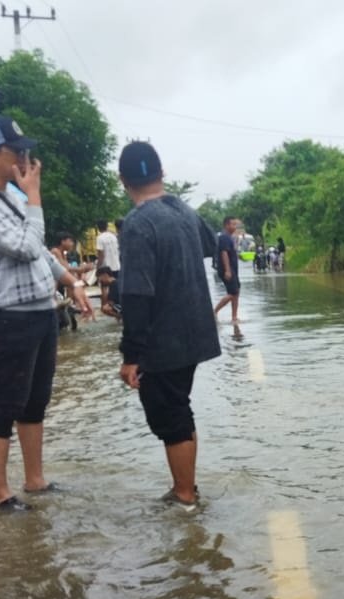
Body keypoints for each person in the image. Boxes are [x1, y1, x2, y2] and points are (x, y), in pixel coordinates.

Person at [0, 114, 93, 512]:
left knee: (37, 399)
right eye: (16, 150)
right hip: (9, 312)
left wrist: (72, 283)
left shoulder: (10, 197)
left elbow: (41, 256)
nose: (23, 157)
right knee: (9, 400)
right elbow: (24, 246)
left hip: (40, 308)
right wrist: (34, 196)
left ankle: (36, 480)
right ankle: (0, 492)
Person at [116, 141, 222, 512]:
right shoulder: (184, 211)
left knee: (169, 414)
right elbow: (210, 245)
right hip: (195, 330)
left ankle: (184, 496)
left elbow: (136, 295)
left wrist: (131, 355)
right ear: (162, 174)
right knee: (180, 407)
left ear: (123, 180)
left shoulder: (137, 224)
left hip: (164, 338)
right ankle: (185, 486)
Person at [212, 216, 241, 322]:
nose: (235, 227)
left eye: (236, 224)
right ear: (227, 225)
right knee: (233, 293)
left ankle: (234, 317)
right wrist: (227, 270)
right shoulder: (224, 237)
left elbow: (230, 253)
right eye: (233, 224)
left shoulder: (230, 238)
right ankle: (214, 311)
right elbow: (224, 253)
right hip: (227, 269)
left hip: (233, 269)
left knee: (236, 292)